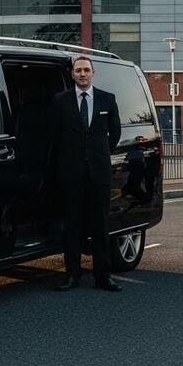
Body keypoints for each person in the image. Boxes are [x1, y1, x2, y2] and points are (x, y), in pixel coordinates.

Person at [49, 56, 123, 292]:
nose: (82, 74)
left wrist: (98, 157)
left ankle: (103, 276)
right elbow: (54, 137)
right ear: (72, 74)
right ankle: (72, 275)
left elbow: (115, 133)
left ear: (93, 73)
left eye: (86, 70)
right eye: (78, 70)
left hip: (99, 174)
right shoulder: (60, 101)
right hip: (71, 174)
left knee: (100, 225)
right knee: (72, 225)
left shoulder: (107, 99)